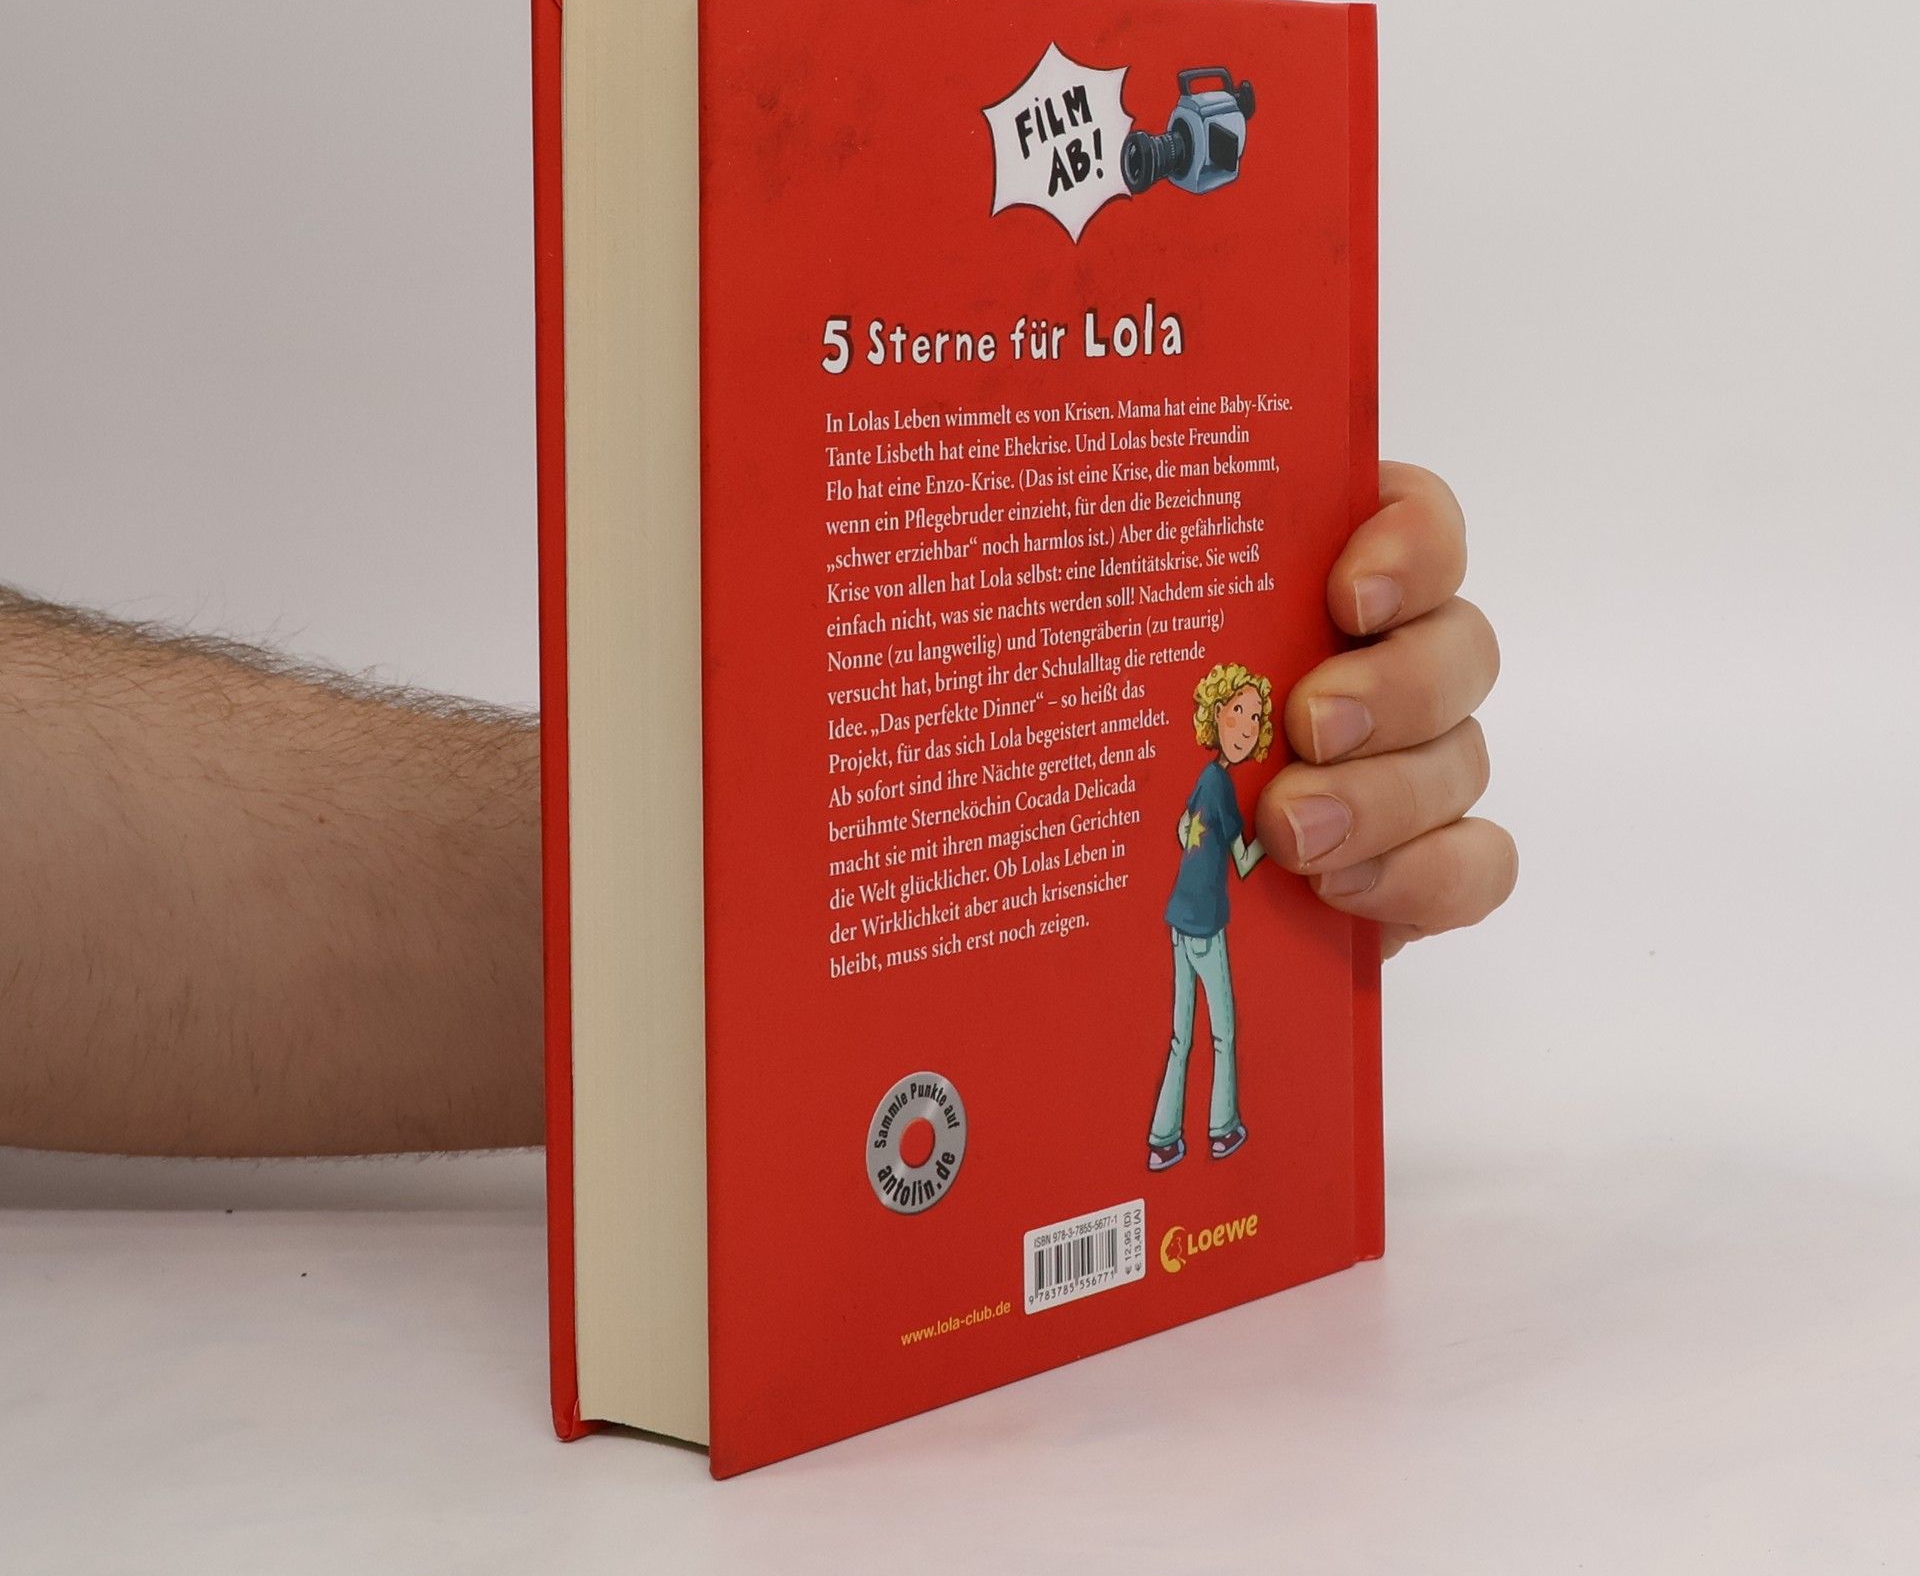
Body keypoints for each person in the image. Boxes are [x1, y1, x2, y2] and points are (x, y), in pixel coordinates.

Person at [0, 462, 1514, 1158]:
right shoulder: (1196, 780)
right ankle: (1204, 1120)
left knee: (1204, 1027)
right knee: (1196, 1033)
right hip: (1175, 925)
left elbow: (1219, 834)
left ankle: (1209, 1123)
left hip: (1173, 925)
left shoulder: (1206, 773)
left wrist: (948, 883)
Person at [1148, 661, 1274, 1171]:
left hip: (1180, 920)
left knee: (1181, 1037)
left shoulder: (1205, 779)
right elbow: (1242, 861)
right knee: (1223, 1034)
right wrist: (1272, 837)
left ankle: (1163, 1138)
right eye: (1239, 711)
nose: (1248, 727)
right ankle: (1222, 1130)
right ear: (1217, 713)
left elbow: (1184, 828)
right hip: (1205, 928)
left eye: (1256, 718)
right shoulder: (1220, 786)